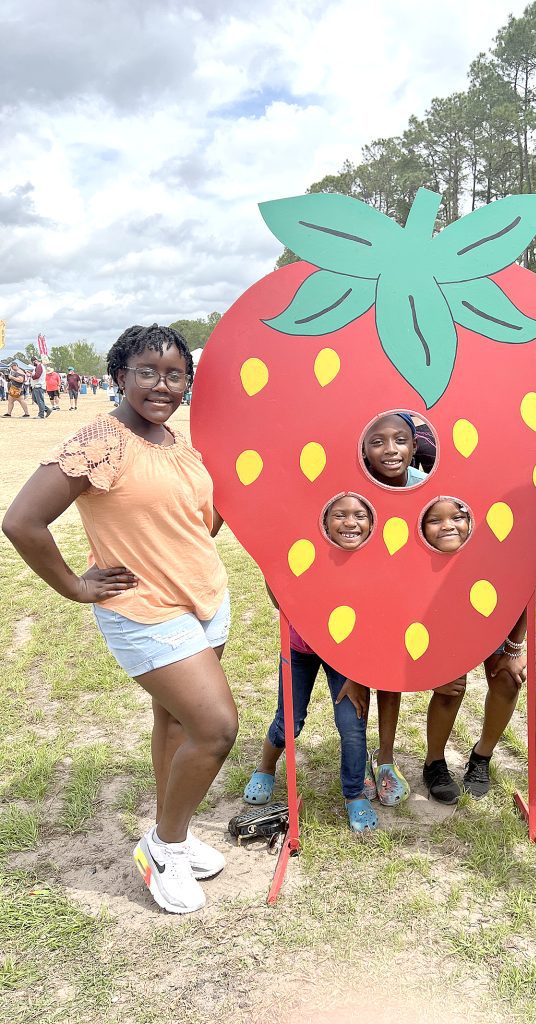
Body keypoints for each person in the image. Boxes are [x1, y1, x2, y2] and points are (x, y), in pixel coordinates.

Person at [2, 324, 236, 915]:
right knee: (216, 729)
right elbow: (22, 521)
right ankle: (164, 848)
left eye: (176, 374)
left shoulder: (174, 441)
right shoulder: (100, 443)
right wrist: (76, 587)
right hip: (146, 611)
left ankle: (172, 836)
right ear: (119, 376)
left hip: (203, 601)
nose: (163, 384)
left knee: (178, 725)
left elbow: (197, 523)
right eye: (147, 372)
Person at [243, 494, 377, 832]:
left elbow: (375, 623)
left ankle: (353, 793)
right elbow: (279, 600)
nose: (350, 522)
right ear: (324, 521)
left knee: (351, 723)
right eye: (340, 515)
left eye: (359, 515)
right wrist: (273, 563)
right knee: (289, 722)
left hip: (348, 657)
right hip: (300, 650)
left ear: (372, 522)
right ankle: (265, 768)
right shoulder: (307, 552)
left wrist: (359, 673)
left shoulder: (374, 564)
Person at [417, 498, 528, 802]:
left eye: (457, 517)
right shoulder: (420, 560)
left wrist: (515, 649)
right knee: (450, 687)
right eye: (435, 520)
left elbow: (522, 591)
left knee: (508, 679)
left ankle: (482, 756)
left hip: (492, 621)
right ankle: (434, 763)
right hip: (446, 625)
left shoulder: (494, 550)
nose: (448, 526)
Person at [360, 412, 426, 804]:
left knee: (389, 675)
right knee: (356, 671)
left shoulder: (425, 486)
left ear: (415, 445)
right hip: (361, 592)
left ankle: (385, 757)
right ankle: (356, 755)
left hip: (403, 592)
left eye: (400, 440)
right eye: (378, 441)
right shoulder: (355, 486)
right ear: (364, 450)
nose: (391, 450)